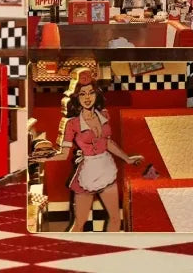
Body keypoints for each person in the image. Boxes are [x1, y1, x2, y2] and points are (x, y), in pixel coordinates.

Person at [54, 68, 143, 232]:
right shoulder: (72, 123)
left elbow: (108, 143)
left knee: (115, 219)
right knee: (79, 223)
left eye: (91, 93)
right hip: (87, 173)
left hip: (105, 168)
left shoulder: (104, 114)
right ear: (76, 97)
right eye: (82, 94)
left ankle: (110, 253)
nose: (87, 98)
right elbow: (64, 153)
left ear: (96, 95)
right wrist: (40, 157)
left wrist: (127, 159)